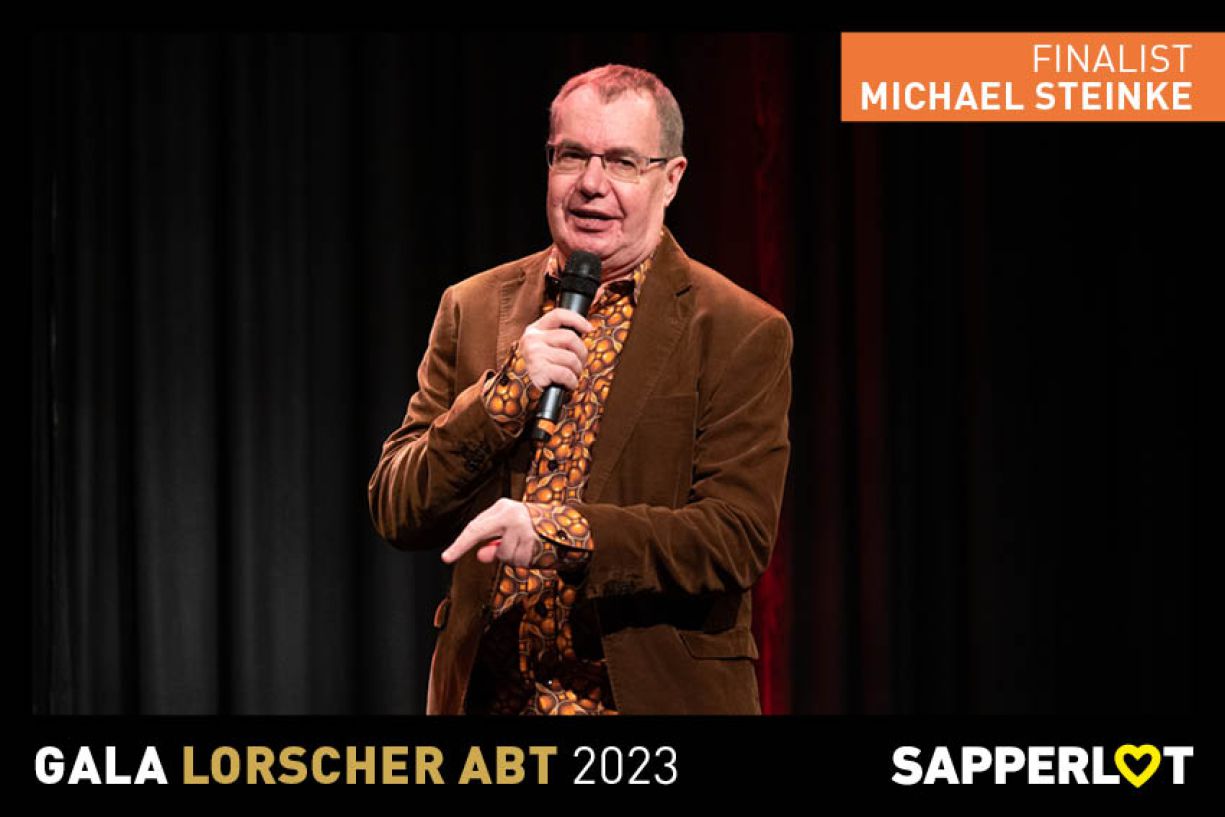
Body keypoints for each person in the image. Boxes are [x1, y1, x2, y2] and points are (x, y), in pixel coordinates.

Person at [368, 64, 792, 715]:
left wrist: (556, 532)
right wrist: (502, 397)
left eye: (622, 162)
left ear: (671, 178)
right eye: (571, 156)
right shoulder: (472, 306)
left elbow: (733, 537)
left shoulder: (738, 329)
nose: (591, 184)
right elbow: (397, 507)